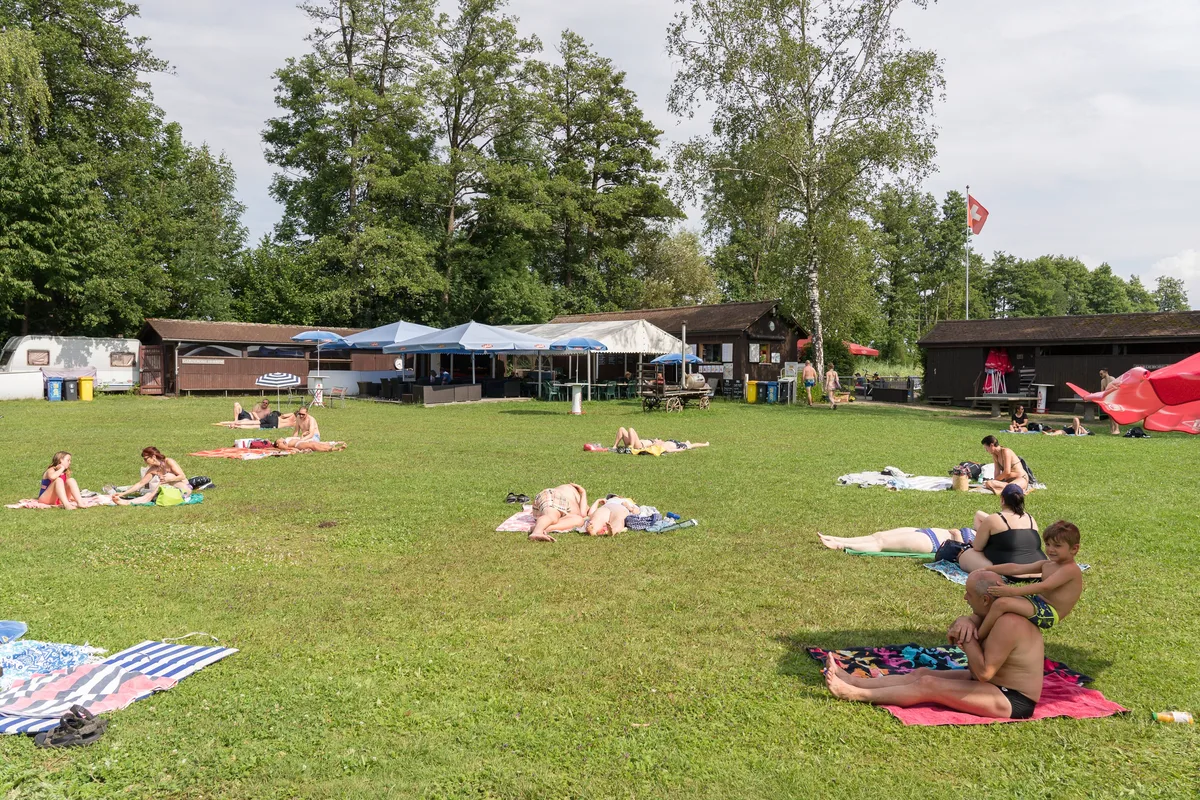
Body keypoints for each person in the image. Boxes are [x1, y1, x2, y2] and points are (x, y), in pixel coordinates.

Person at [823, 571, 1045, 719]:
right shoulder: (990, 614)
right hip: (993, 684)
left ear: (986, 600)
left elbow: (984, 672)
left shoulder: (1009, 623)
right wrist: (964, 621)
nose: (965, 598)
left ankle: (854, 694)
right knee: (921, 674)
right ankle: (854, 681)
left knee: (928, 685)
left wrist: (966, 640)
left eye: (968, 593)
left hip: (1013, 698)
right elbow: (962, 629)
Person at [977, 521, 1083, 640]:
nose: (1050, 549)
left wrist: (1011, 591)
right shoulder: (1047, 564)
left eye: (1057, 546)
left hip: (1050, 613)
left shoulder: (1070, 570)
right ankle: (980, 626)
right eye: (1048, 544)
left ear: (1074, 549)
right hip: (1037, 601)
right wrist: (986, 569)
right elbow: (1016, 568)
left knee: (1001, 604)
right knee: (996, 598)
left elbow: (1045, 586)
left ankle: (979, 638)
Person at [957, 484, 1045, 575]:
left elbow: (977, 547)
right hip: (1038, 571)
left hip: (1011, 573)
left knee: (966, 554)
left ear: (1002, 499)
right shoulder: (1031, 519)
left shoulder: (993, 519)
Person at [110, 446, 191, 505]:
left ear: (153, 457)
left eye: (146, 458)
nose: (144, 461)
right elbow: (140, 484)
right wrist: (123, 494)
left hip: (184, 490)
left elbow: (182, 476)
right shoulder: (153, 469)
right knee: (148, 494)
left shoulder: (168, 461)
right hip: (170, 491)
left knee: (168, 476)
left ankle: (150, 497)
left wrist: (169, 480)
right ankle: (127, 502)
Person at [817, 525, 975, 554]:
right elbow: (979, 515)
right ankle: (838, 538)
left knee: (881, 544)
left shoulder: (983, 544)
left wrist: (956, 534)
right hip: (926, 531)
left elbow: (960, 548)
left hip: (930, 542)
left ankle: (839, 545)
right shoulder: (986, 529)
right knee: (879, 535)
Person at [275, 407, 345, 452]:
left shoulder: (311, 419)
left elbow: (311, 434)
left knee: (313, 443)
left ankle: (333, 446)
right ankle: (333, 445)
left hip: (314, 436)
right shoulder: (298, 418)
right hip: (303, 438)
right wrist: (296, 438)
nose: (301, 416)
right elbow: (296, 431)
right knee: (311, 444)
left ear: (307, 413)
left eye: (303, 414)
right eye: (300, 414)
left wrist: (301, 439)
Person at [612, 427, 710, 454]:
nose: (659, 439)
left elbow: (671, 450)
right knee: (621, 429)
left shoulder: (663, 446)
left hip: (638, 445)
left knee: (631, 429)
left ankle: (631, 448)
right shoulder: (661, 443)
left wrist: (705, 444)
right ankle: (615, 446)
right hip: (636, 442)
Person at [1099, 369, 1120, 435]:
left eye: (1101, 374)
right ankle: (1112, 429)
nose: (1100, 375)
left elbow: (1117, 388)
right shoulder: (1102, 381)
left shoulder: (1112, 379)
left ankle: (1117, 429)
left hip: (1114, 399)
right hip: (1107, 399)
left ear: (1106, 372)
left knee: (1114, 414)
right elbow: (1102, 391)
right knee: (1110, 415)